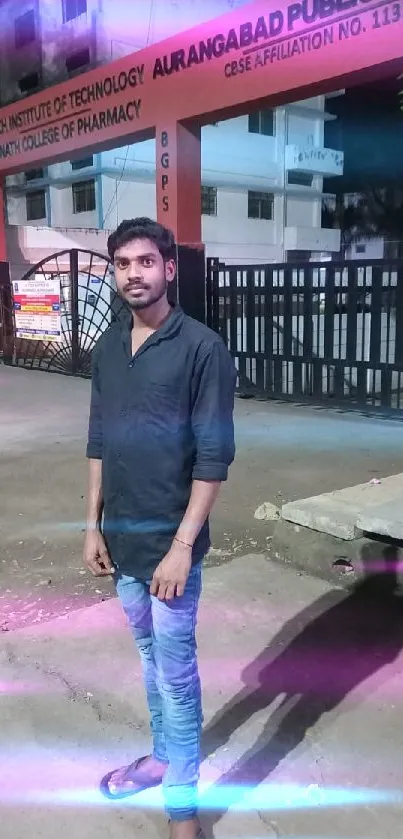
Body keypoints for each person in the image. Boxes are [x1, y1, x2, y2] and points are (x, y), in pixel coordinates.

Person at [83, 217, 236, 839]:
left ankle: (182, 812)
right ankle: (163, 757)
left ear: (170, 269)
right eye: (122, 264)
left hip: (172, 549)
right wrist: (92, 526)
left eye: (146, 262)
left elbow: (214, 458)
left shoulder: (202, 349)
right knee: (149, 658)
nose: (133, 275)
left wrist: (181, 548)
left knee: (175, 673)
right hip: (121, 542)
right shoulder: (108, 347)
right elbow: (98, 441)